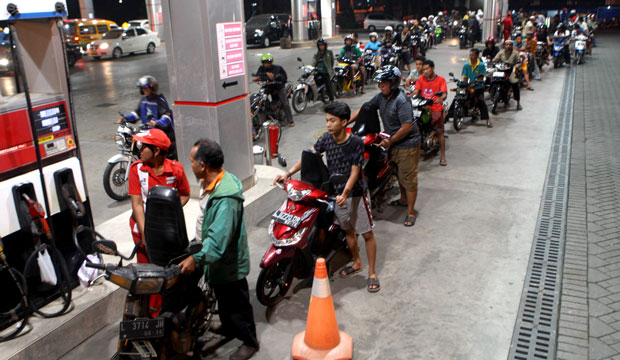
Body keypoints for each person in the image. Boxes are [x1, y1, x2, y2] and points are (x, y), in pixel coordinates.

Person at [274, 102, 380, 292]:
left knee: (366, 233)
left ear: (344, 122)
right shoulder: (326, 139)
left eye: (332, 121)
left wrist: (345, 193)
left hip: (354, 194)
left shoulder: (355, 143)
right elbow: (308, 155)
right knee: (348, 231)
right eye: (327, 120)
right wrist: (288, 173)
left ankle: (372, 273)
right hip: (335, 193)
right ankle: (357, 262)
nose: (328, 125)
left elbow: (355, 172)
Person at [178, 139, 259, 360]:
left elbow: (218, 241)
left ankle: (250, 342)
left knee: (238, 305)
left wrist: (196, 258)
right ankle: (228, 327)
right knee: (224, 301)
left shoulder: (226, 198)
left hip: (227, 263)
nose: (190, 165)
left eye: (193, 161)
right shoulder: (211, 181)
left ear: (203, 165)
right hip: (215, 262)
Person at [350, 65, 421, 227]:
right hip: (392, 141)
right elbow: (365, 108)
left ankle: (410, 212)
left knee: (408, 178)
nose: (381, 85)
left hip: (407, 143)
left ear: (393, 83)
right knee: (397, 171)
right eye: (380, 82)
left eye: (384, 82)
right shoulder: (381, 97)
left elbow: (407, 127)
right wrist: (345, 122)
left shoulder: (401, 100)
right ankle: (403, 200)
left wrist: (391, 140)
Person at [128, 129, 191, 264]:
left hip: (168, 228)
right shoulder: (136, 170)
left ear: (156, 151)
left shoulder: (176, 169)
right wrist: (145, 234)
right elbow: (137, 204)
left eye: (144, 146)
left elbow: (185, 194)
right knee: (147, 268)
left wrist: (169, 213)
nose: (140, 149)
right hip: (142, 226)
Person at [119, 75, 177, 160]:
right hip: (147, 133)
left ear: (152, 88)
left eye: (146, 87)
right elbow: (136, 114)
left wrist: (157, 123)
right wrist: (125, 118)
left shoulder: (159, 100)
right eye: (142, 88)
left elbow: (167, 116)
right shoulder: (143, 100)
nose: (144, 89)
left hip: (159, 135)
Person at [413, 60, 448, 166]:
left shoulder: (441, 80)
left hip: (435, 108)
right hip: (422, 108)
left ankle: (443, 156)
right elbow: (416, 91)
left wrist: (441, 98)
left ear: (432, 68)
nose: (425, 71)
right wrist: (411, 95)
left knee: (439, 131)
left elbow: (444, 94)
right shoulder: (420, 79)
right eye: (423, 69)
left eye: (427, 69)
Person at [448, 48, 492, 127]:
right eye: (470, 55)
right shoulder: (466, 65)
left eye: (473, 55)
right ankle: (448, 116)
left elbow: (481, 77)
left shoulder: (481, 65)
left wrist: (475, 84)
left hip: (477, 87)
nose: (471, 56)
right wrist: (465, 84)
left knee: (481, 101)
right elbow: (464, 77)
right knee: (457, 98)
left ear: (477, 56)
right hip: (468, 86)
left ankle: (487, 119)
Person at [253, 53, 294, 127]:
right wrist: (265, 74)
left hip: (278, 87)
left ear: (271, 62)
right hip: (268, 86)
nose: (266, 64)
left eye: (268, 63)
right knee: (262, 98)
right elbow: (256, 77)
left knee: (285, 103)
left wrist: (263, 75)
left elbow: (272, 77)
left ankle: (290, 120)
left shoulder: (277, 68)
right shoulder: (261, 68)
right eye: (265, 63)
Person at [493, 39, 522, 111]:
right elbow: (496, 58)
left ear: (512, 46)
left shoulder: (515, 53)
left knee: (514, 84)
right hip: (501, 71)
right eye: (507, 45)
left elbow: (519, 62)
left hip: (510, 71)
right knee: (492, 80)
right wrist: (494, 60)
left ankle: (518, 103)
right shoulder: (501, 52)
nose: (508, 46)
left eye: (510, 45)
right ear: (505, 45)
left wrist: (516, 66)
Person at [312, 38, 335, 102]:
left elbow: (332, 62)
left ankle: (331, 99)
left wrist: (329, 69)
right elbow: (313, 61)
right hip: (318, 71)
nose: (321, 47)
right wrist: (312, 68)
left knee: (328, 84)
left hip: (326, 72)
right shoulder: (316, 54)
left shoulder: (329, 52)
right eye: (320, 45)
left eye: (322, 45)